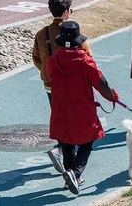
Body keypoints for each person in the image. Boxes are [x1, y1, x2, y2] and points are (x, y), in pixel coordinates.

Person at [46, 21, 119, 195]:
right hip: (82, 110)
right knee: (87, 143)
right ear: (79, 41)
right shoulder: (86, 62)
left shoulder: (52, 62)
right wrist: (112, 96)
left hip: (60, 109)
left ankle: (70, 178)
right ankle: (75, 173)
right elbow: (101, 84)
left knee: (67, 143)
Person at [32, 0, 93, 174]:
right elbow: (88, 57)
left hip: (50, 83)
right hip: (71, 85)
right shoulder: (74, 33)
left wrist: (46, 70)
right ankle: (70, 163)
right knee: (75, 121)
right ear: (66, 12)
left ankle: (61, 148)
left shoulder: (41, 33)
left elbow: (35, 57)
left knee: (59, 116)